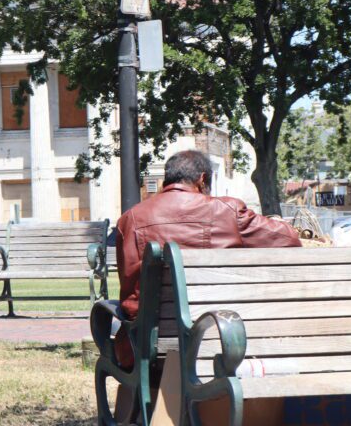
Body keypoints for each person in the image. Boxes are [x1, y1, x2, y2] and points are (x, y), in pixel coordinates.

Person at [114, 149, 301, 367]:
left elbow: (128, 289)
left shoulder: (130, 219)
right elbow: (289, 239)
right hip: (222, 340)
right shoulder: (228, 211)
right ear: (202, 180)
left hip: (147, 347)